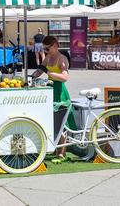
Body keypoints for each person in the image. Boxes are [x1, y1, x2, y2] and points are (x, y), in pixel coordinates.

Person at [31, 36, 76, 164]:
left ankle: (62, 152)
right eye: (43, 48)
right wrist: (30, 77)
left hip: (59, 91)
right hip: (49, 90)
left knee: (62, 122)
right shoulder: (48, 58)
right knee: (52, 120)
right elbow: (40, 70)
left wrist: (49, 73)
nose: (45, 51)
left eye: (47, 48)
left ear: (55, 45)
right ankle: (56, 149)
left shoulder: (62, 59)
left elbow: (65, 77)